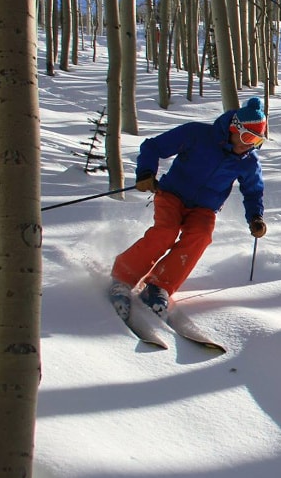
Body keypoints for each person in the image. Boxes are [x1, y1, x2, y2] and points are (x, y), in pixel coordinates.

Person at [110, 97, 269, 317]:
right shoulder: (197, 134)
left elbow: (253, 191)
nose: (248, 144)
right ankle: (123, 277)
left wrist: (255, 217)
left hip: (204, 208)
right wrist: (146, 173)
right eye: (246, 136)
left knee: (201, 236)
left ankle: (159, 286)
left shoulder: (248, 161)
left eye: (256, 141)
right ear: (234, 128)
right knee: (166, 232)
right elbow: (153, 146)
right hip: (172, 194)